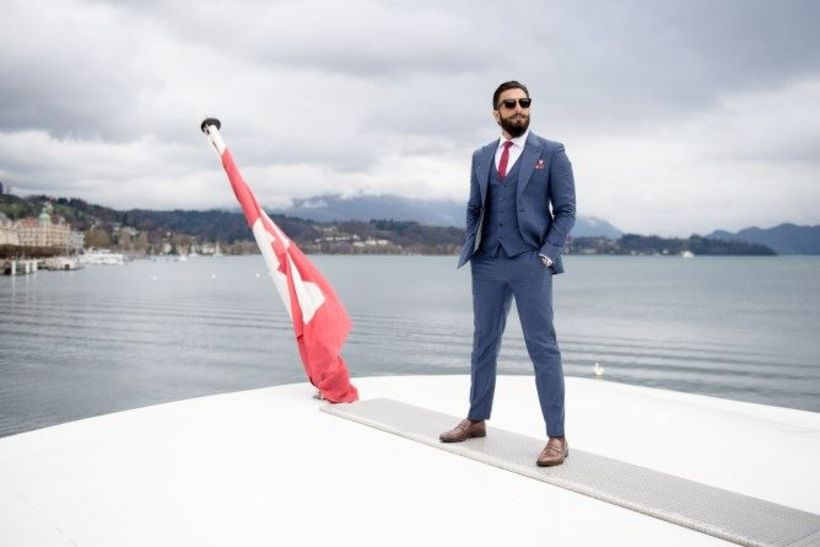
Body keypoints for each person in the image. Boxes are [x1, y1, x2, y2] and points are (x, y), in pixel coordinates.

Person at [439, 80, 576, 467]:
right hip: (487, 262)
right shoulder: (481, 156)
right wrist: (473, 246)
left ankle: (557, 437)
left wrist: (546, 255)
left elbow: (566, 210)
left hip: (530, 261)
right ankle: (476, 419)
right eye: (510, 104)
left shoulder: (551, 153)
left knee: (542, 348)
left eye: (524, 102)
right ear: (496, 112)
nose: (519, 109)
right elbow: (474, 207)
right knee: (483, 342)